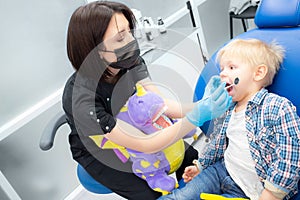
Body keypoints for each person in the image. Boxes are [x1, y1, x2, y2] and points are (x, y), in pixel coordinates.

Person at [62, 1, 232, 200]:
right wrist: (194, 118)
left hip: (133, 122)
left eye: (129, 31)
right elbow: (144, 144)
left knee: (194, 162)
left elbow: (158, 104)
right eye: (120, 37)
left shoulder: (129, 61)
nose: (130, 41)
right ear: (95, 50)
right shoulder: (83, 100)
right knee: (151, 195)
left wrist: (203, 104)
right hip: (102, 149)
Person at [158, 38, 300, 200]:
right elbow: (217, 143)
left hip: (254, 189)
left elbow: (290, 157)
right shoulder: (228, 108)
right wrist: (201, 165)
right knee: (178, 197)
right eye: (222, 68)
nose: (222, 73)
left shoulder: (278, 107)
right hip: (220, 172)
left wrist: (271, 194)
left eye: (232, 67)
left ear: (259, 73)